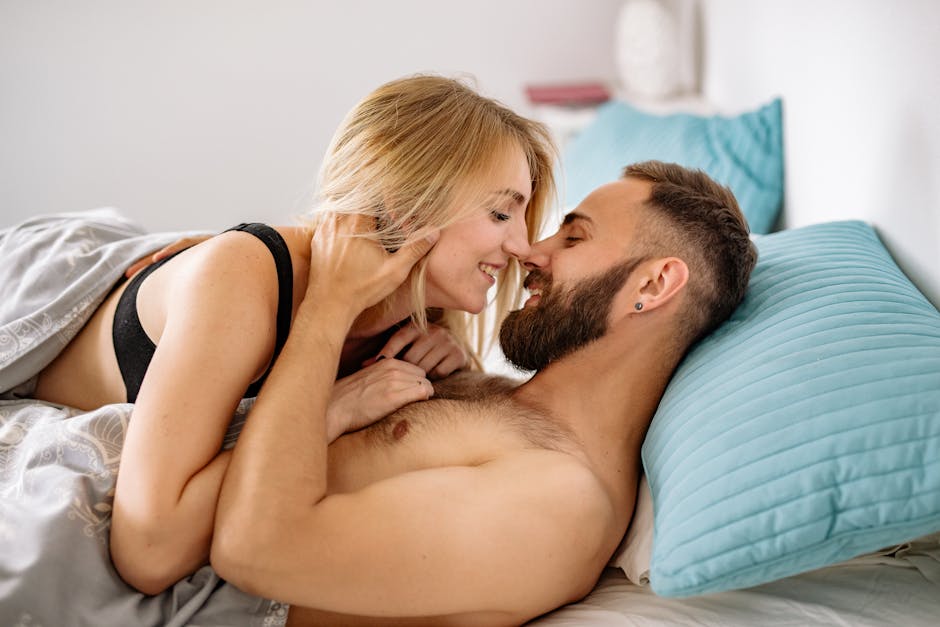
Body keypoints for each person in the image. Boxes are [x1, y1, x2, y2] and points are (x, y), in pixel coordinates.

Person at [27, 74, 556, 594]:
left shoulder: (419, 324)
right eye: (499, 212)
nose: (522, 246)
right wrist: (332, 409)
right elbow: (149, 551)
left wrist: (454, 358)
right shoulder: (243, 281)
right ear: (409, 203)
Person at [210, 160, 759, 626]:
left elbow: (253, 549)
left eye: (574, 238)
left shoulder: (560, 504)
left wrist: (329, 307)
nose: (530, 251)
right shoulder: (503, 400)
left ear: (654, 285)